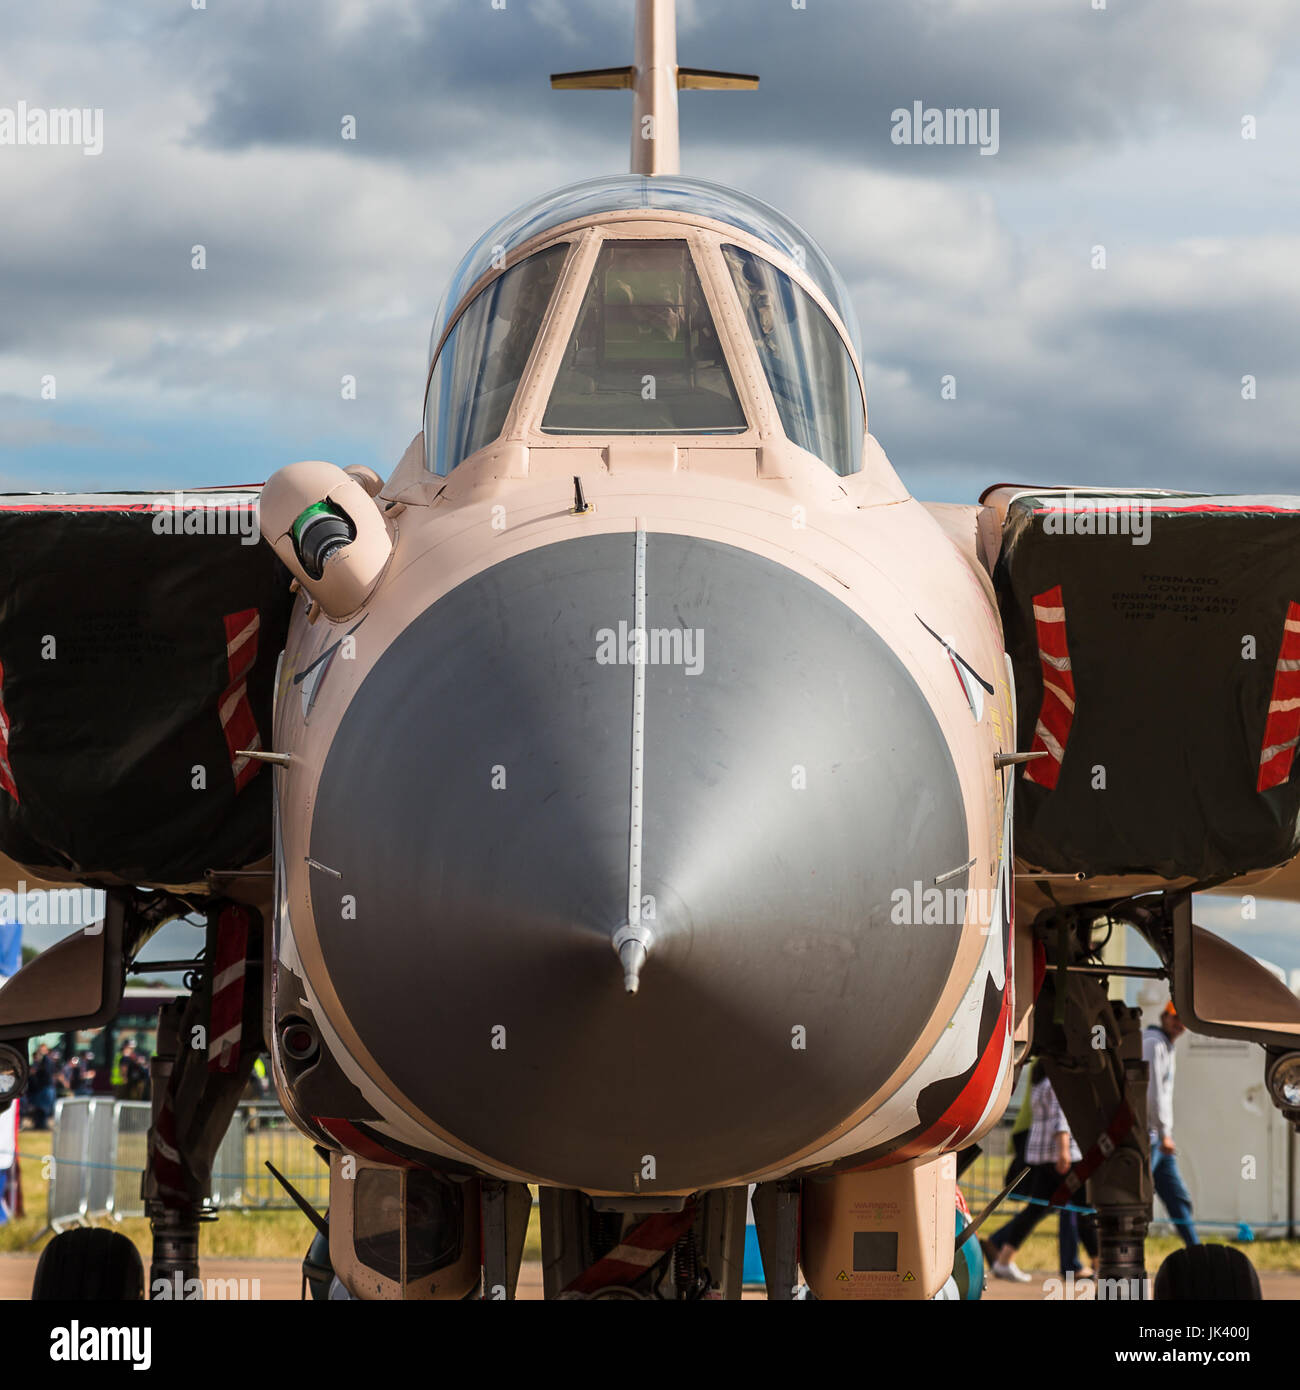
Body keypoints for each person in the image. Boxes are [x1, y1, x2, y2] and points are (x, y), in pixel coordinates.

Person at [987, 1062, 1095, 1282]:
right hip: (1062, 1155)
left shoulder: (1039, 1080)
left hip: (1041, 1154)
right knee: (1085, 1207)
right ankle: (1101, 1263)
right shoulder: (1059, 1081)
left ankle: (1004, 1260)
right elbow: (1061, 1118)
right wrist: (1064, 1151)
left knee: (1035, 1209)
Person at [1144, 1001, 1199, 1246]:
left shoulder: (1165, 1046)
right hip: (1151, 1135)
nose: (1179, 1024)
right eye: (1175, 1018)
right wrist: (1164, 1131)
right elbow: (1152, 1093)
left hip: (1159, 1137)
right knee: (1136, 1199)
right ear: (1164, 1017)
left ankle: (1196, 1250)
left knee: (1177, 1198)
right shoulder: (1154, 1044)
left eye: (1183, 1020)